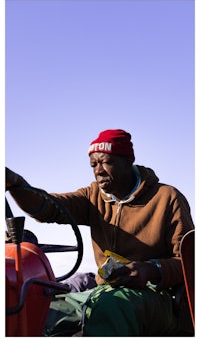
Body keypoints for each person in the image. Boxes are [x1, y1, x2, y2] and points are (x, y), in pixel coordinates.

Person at [6, 129, 194, 336]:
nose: (99, 171)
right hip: (104, 289)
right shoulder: (93, 196)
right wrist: (17, 184)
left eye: (106, 162)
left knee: (109, 307)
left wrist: (151, 269)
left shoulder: (167, 198)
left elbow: (189, 262)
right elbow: (48, 207)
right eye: (93, 165)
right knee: (45, 307)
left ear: (127, 160)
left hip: (159, 297)